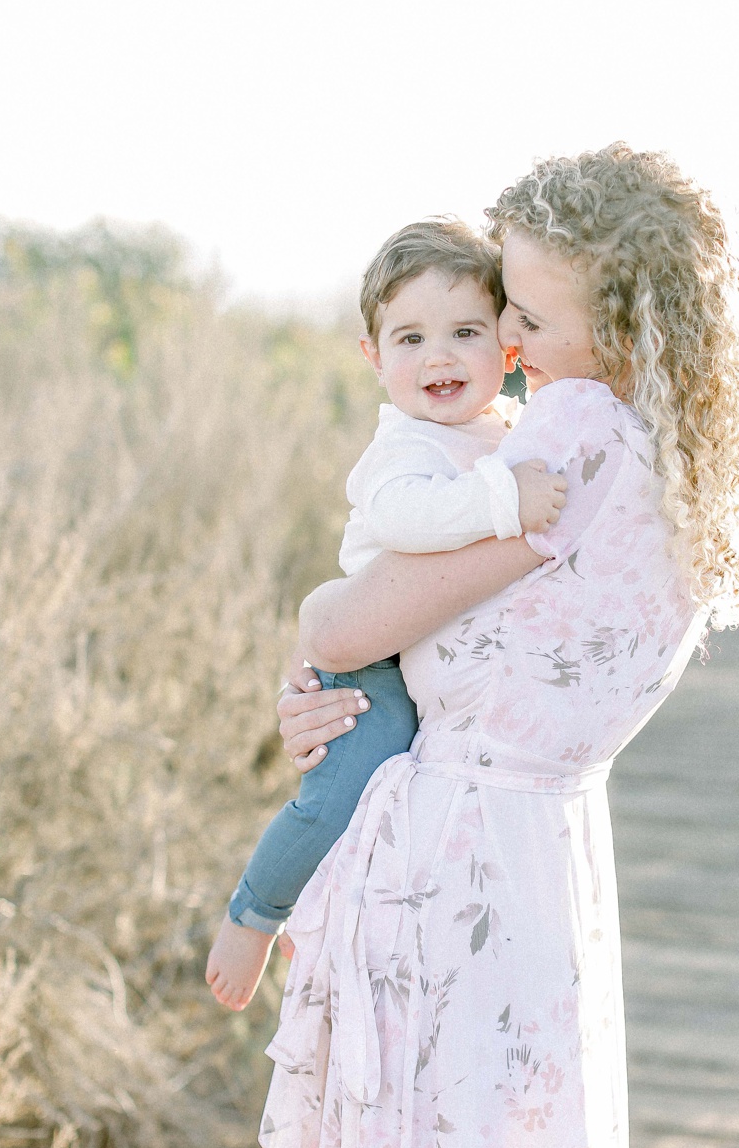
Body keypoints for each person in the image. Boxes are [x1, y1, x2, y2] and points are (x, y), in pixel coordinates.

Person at [250, 144, 739, 1148]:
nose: (508, 338)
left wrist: (319, 638)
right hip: (547, 844)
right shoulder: (680, 447)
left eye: (529, 315)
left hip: (455, 853)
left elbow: (348, 618)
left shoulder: (573, 425)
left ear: (617, 317)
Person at [206, 219, 567, 1011]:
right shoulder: (404, 448)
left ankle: (320, 909)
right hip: (367, 663)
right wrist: (508, 500)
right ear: (373, 357)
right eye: (410, 338)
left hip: (419, 660)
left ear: (507, 348)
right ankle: (253, 914)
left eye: (464, 332)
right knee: (339, 796)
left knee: (384, 810)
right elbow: (412, 524)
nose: (438, 356)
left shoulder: (494, 430)